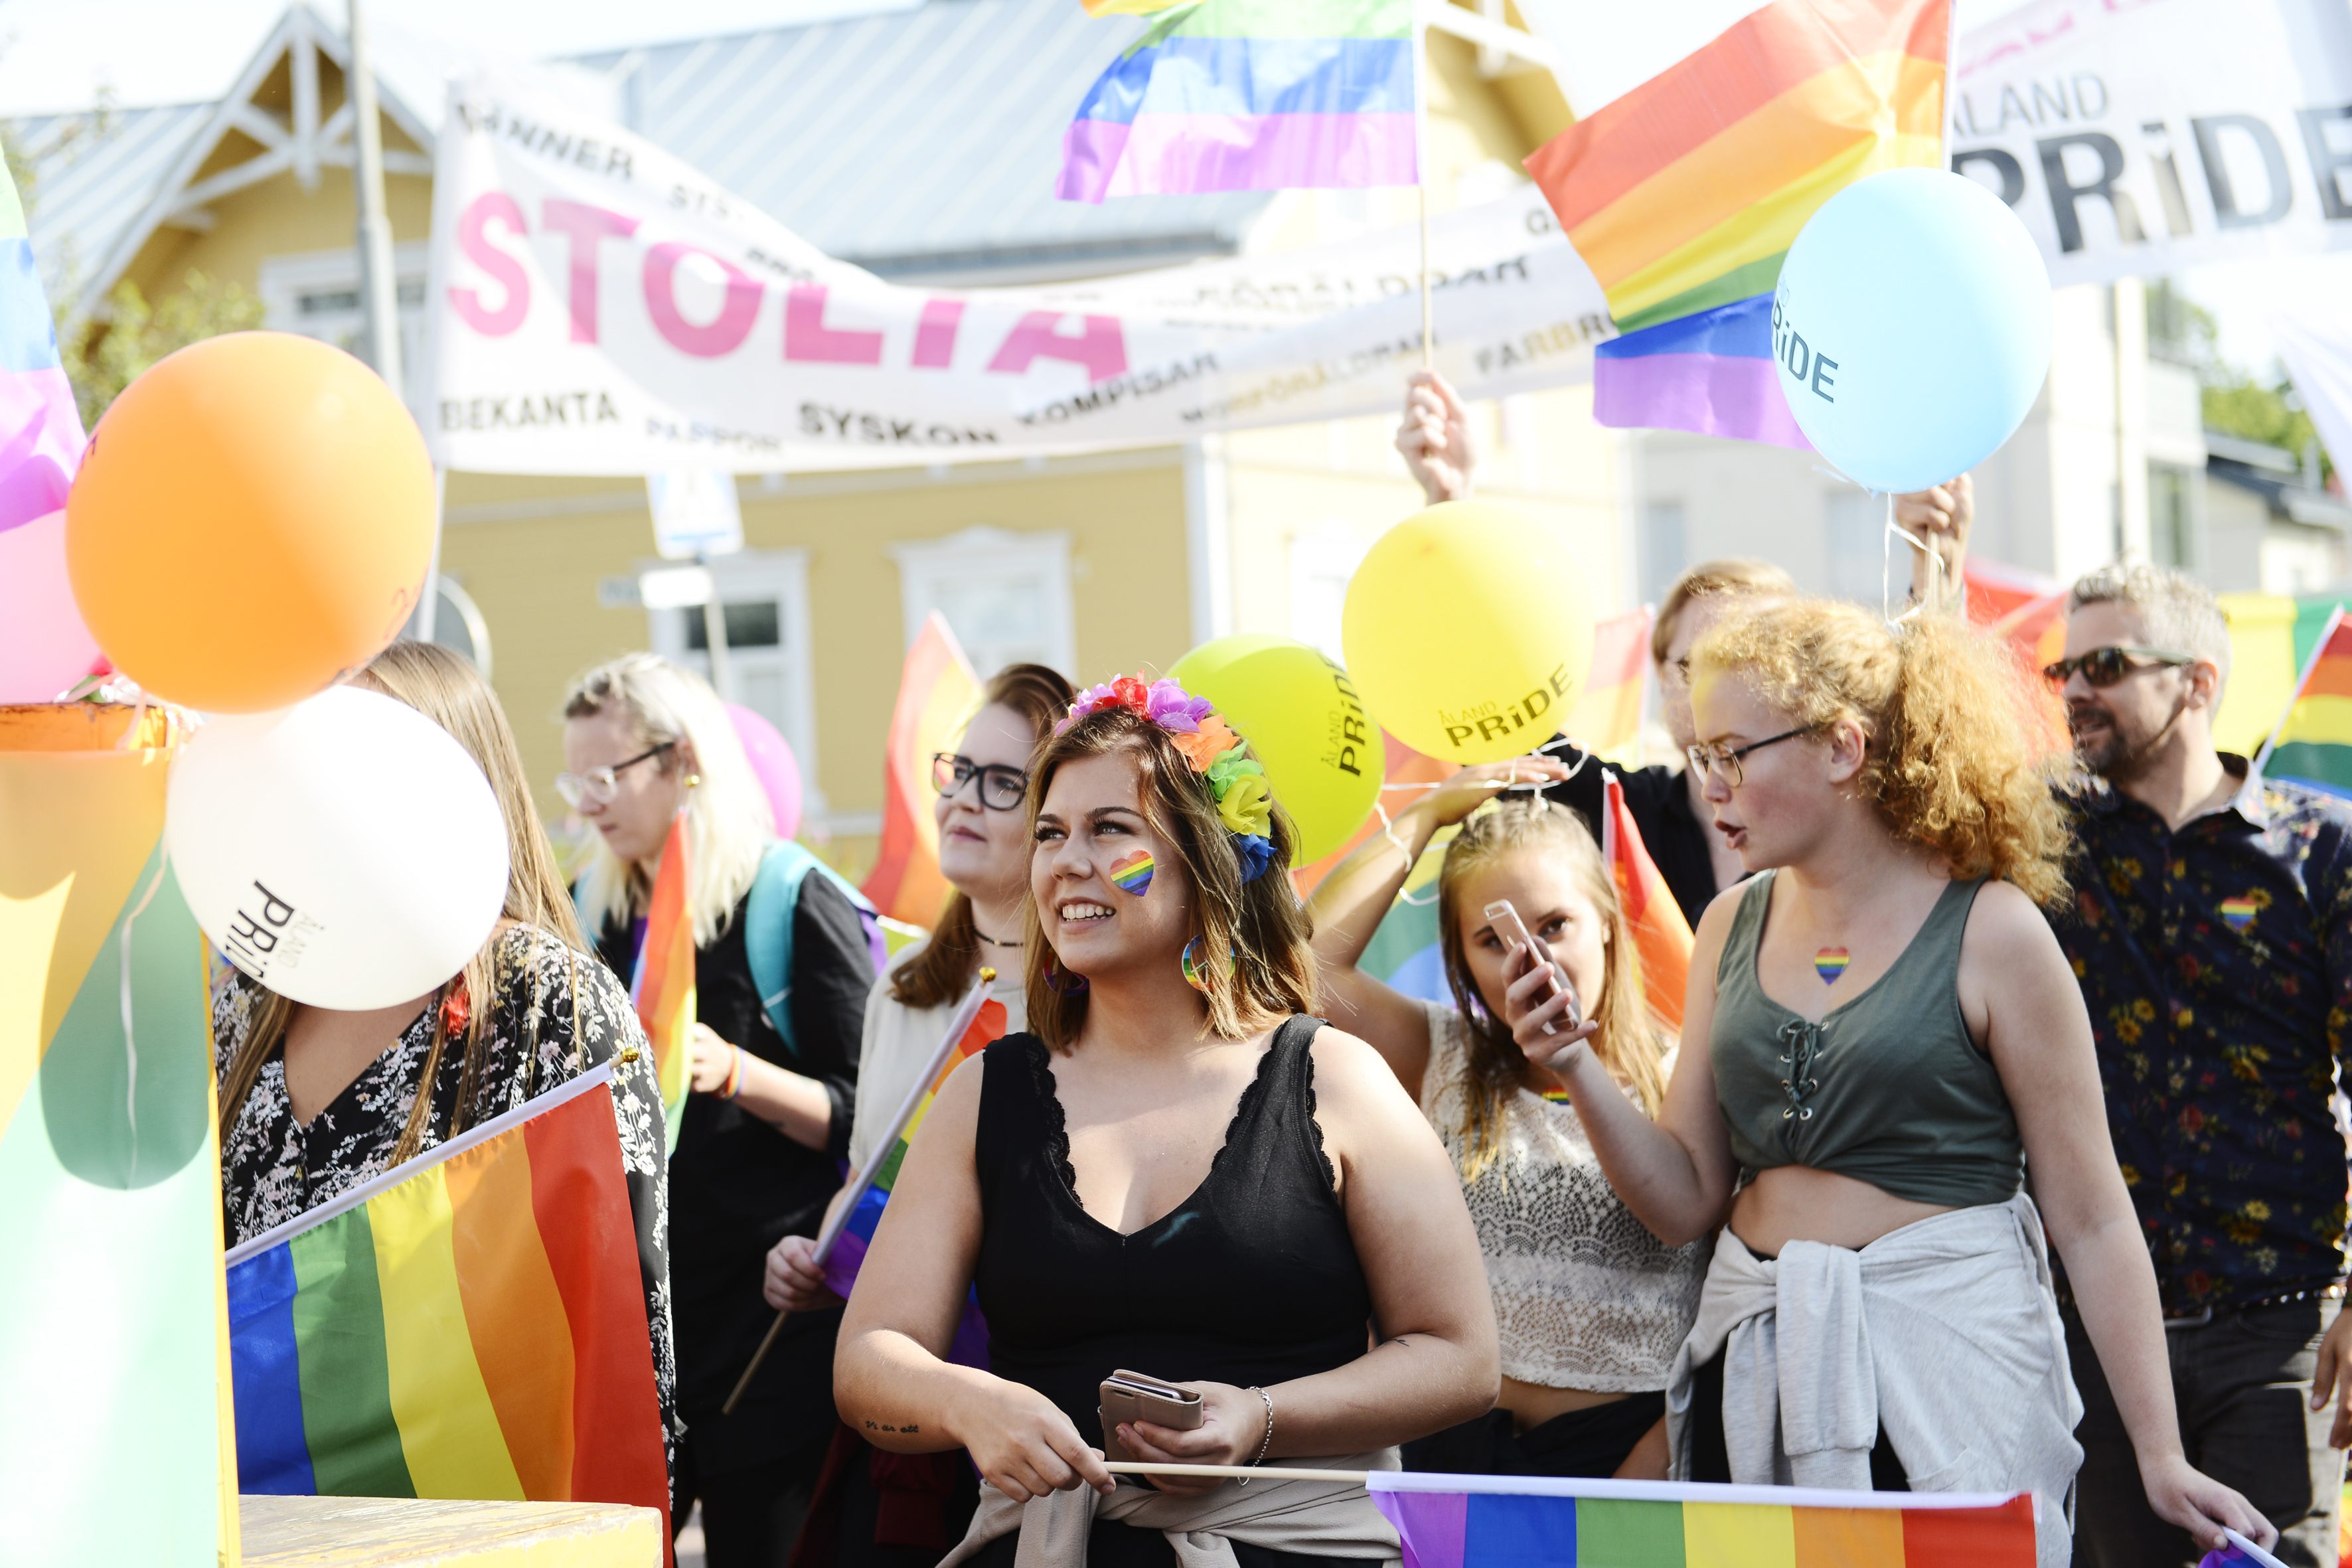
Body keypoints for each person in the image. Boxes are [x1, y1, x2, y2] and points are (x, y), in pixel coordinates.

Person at [1504, 599, 2271, 1565]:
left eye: (1733, 752)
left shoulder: (1993, 930)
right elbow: (1684, 1199)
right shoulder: (1727, 926)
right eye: (1701, 756)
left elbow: (2089, 1213)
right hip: (1765, 1371)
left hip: (1943, 1370)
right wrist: (1574, 1062)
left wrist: (2157, 1452)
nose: (1711, 787)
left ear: (1839, 747)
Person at [834, 673, 1499, 1567]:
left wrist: (1261, 1415)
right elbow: (867, 1359)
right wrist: (969, 1403)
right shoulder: (981, 1094)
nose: (1067, 861)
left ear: (1207, 857)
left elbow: (1461, 1357)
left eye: (1110, 829)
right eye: (1048, 833)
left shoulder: (1334, 1079)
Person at [214, 640, 676, 1481]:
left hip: (456, 1509)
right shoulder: (251, 988)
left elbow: (620, 1317)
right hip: (252, 1504)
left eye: (368, 749)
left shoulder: (552, 1002)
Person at [1393, 366, 1973, 927]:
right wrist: (1451, 504)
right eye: (1698, 664)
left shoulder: (1853, 817)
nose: (1723, 685)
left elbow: (1938, 744)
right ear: (1660, 678)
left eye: (1757, 664)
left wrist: (1934, 564)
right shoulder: (1622, 814)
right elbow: (1494, 717)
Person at [2036, 566, 2352, 1567]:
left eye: (2105, 663)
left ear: (2196, 681)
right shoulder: (2049, 844)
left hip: (2276, 1328)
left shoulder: (2318, 846)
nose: (2074, 688)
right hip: (2093, 1338)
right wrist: (1933, 566)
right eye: (2064, 666)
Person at [564, 653, 876, 1567]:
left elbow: (876, 1118)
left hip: (769, 1331)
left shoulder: (787, 897)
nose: (586, 800)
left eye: (605, 775)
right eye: (571, 777)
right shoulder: (593, 905)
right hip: (642, 1326)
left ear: (683, 761)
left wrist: (739, 1070)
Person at [1308, 766, 1705, 1480]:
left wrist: (1665, 1449)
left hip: (1632, 1453)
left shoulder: (1684, 1072)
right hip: (1457, 1450)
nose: (1531, 957)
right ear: (1459, 957)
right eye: (1492, 939)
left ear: (1609, 926)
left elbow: (1714, 1255)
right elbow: (1306, 967)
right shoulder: (1440, 1050)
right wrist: (1423, 815)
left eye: (1554, 924)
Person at [763, 662, 1075, 1568]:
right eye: (957, 770)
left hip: (1033, 1399)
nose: (963, 799)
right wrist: (817, 1251)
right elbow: (870, 1177)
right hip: (910, 1402)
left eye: (1003, 782)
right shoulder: (900, 994)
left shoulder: (1096, 998)